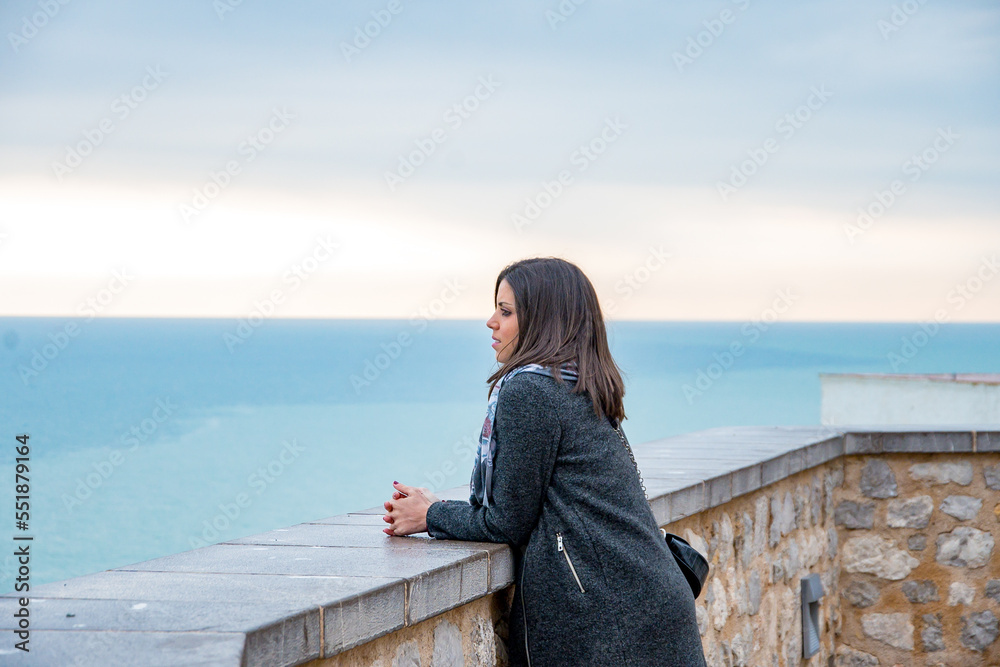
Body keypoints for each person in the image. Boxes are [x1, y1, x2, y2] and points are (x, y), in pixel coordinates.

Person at [382, 257, 706, 667]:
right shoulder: (580, 384)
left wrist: (431, 514)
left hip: (608, 624)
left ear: (542, 320)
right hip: (648, 603)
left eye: (506, 311)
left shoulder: (531, 392)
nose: (491, 322)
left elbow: (505, 521)